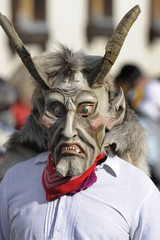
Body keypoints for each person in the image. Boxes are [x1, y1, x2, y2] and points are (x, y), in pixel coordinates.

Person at [0, 5, 160, 240]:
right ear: (37, 113)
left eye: (86, 110)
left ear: (114, 112)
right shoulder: (14, 183)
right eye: (56, 110)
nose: (68, 130)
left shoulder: (138, 192)